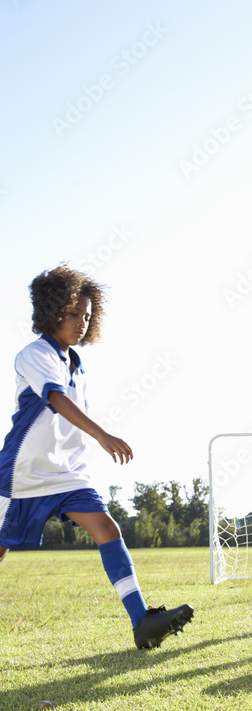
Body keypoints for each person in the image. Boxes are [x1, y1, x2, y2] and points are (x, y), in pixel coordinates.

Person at [0, 265, 193, 650]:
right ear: (52, 310)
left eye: (87, 316)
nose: (81, 323)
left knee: (108, 529)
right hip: (23, 473)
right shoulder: (35, 354)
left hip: (68, 475)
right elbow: (55, 400)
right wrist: (103, 435)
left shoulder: (78, 364)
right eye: (74, 313)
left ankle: (142, 623)